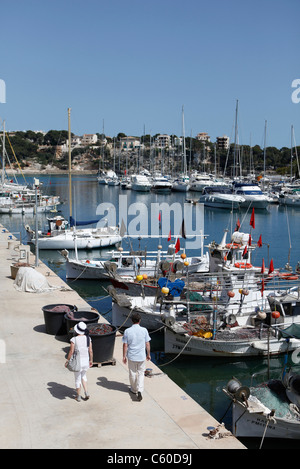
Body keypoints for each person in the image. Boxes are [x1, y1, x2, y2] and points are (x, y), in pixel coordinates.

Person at [122, 312, 151, 401]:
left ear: (131, 320)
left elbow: (125, 345)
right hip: (141, 356)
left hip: (131, 356)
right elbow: (147, 343)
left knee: (132, 373)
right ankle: (140, 390)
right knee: (141, 373)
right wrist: (148, 354)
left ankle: (134, 389)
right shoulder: (144, 330)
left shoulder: (127, 331)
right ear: (140, 320)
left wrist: (124, 356)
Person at [65, 321, 93, 402]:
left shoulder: (74, 339)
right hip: (86, 361)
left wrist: (67, 361)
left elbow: (71, 351)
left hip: (78, 362)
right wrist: (91, 360)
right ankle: (86, 392)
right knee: (84, 376)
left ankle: (78, 396)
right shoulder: (88, 338)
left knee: (77, 379)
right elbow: (90, 351)